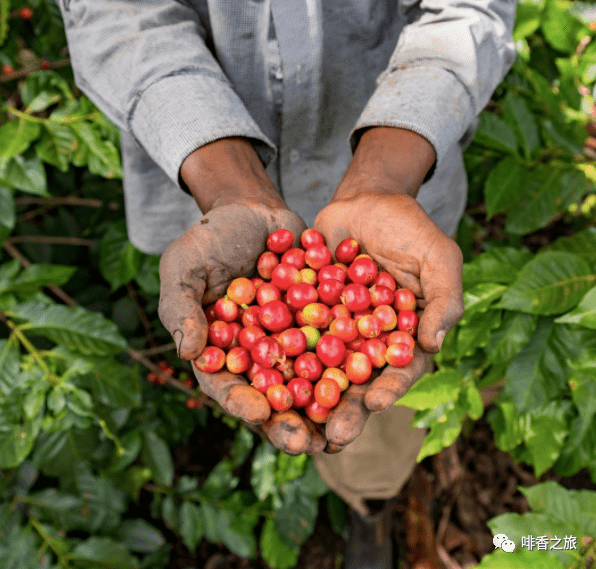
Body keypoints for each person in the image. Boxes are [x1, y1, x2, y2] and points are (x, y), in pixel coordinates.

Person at [56, 1, 517, 567]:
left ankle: (371, 500)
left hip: (402, 180)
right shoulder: (312, 314)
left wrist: (384, 178)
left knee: (381, 409)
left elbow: (470, 11)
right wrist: (229, 185)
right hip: (207, 182)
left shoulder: (334, 304)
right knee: (351, 389)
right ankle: (367, 498)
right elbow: (116, 12)